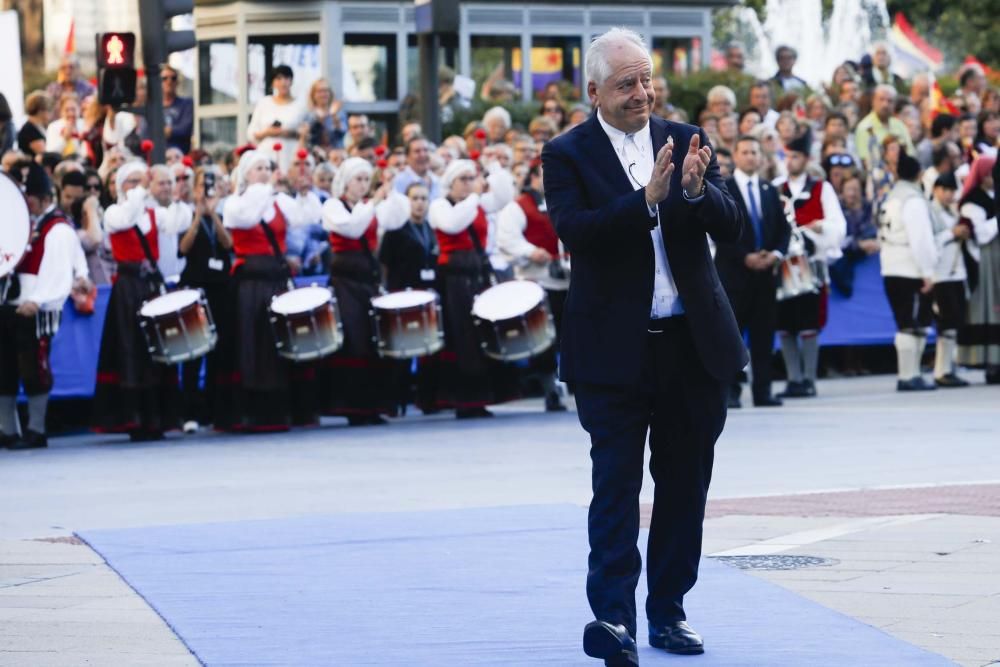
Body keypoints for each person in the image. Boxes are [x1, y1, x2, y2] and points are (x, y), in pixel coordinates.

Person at [543, 27, 746, 664]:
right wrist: (645, 201)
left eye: (647, 78)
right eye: (628, 83)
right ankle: (613, 620)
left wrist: (693, 191)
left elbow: (733, 224)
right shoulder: (566, 153)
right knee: (615, 488)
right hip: (613, 351)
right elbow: (576, 231)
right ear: (595, 90)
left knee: (686, 487)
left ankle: (669, 611)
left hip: (691, 345)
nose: (642, 92)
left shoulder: (688, 139)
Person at [218, 149, 313, 430]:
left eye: (266, 167)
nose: (263, 172)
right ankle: (250, 411)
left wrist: (303, 193)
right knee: (251, 342)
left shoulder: (279, 201)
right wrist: (265, 193)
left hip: (276, 277)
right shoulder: (235, 203)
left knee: (279, 341)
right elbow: (243, 221)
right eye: (257, 167)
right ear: (245, 174)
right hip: (250, 282)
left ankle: (282, 410)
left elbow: (305, 218)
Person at [92, 162, 180, 440]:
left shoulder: (153, 214)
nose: (137, 187)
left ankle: (157, 418)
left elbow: (178, 222)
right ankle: (133, 417)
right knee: (130, 349)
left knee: (154, 349)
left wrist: (171, 193)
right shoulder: (114, 212)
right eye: (131, 181)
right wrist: (140, 190)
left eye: (140, 181)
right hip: (128, 288)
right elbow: (126, 218)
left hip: (150, 285)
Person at [318, 158, 409, 424]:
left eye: (366, 180)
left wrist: (390, 192)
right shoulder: (334, 206)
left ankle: (372, 405)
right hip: (345, 280)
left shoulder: (369, 207)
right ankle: (352, 406)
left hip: (367, 279)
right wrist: (375, 201)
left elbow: (395, 220)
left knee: (372, 339)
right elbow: (351, 226)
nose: (363, 185)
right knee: (354, 340)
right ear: (345, 182)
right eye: (358, 180)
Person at [0, 164, 82, 449]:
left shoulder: (56, 228)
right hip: (11, 303)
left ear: (44, 198)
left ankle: (36, 429)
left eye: (30, 199)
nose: (25, 204)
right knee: (5, 369)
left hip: (34, 307)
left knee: (34, 368)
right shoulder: (27, 224)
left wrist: (38, 299)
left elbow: (59, 270)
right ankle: (7, 430)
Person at [429, 158, 518, 418]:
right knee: (462, 336)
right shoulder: (440, 205)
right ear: (451, 183)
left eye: (471, 178)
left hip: (476, 273)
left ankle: (480, 398)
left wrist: (497, 169)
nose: (469, 184)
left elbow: (503, 198)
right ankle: (463, 399)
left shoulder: (476, 202)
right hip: (454, 279)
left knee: (480, 334)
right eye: (463, 179)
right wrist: (474, 197)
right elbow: (452, 224)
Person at [715, 135, 790, 408]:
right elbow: (719, 230)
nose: (750, 156)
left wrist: (775, 254)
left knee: (763, 336)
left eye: (754, 152)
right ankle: (732, 392)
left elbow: (783, 229)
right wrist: (744, 256)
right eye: (745, 152)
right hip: (734, 276)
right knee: (732, 336)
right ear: (735, 156)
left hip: (765, 276)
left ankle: (763, 391)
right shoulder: (723, 188)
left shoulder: (770, 190)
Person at [773, 131, 846, 398]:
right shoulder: (775, 187)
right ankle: (793, 379)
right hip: (782, 266)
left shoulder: (820, 188)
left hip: (810, 264)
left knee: (809, 323)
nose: (790, 161)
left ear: (806, 159)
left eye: (795, 156)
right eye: (787, 156)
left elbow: (839, 226)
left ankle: (809, 379)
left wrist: (820, 227)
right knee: (784, 323)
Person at [497, 159, 569, 412]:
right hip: (538, 281)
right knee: (545, 340)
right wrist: (530, 252)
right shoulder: (519, 207)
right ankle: (551, 389)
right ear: (533, 178)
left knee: (572, 335)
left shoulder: (568, 198)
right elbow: (506, 238)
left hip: (570, 279)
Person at [378, 181, 441, 413]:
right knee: (400, 351)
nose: (420, 204)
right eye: (415, 198)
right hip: (401, 295)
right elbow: (384, 263)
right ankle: (393, 400)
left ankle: (427, 399)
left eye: (424, 198)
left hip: (427, 294)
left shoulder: (431, 229)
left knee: (430, 350)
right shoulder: (395, 230)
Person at [878, 154, 938, 391]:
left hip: (890, 264)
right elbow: (920, 238)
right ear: (919, 174)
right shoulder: (913, 200)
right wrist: (927, 271)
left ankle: (910, 374)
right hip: (910, 266)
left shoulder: (890, 197)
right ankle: (908, 374)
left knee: (904, 321)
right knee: (913, 322)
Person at [179, 167, 233, 431]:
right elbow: (183, 247)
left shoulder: (227, 212)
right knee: (193, 351)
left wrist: (214, 216)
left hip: (220, 287)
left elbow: (228, 243)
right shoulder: (185, 214)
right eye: (203, 185)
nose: (207, 191)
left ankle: (214, 409)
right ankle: (189, 410)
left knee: (218, 350)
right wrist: (199, 216)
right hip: (195, 287)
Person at [956, 154, 999, 383]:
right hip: (985, 261)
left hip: (996, 258)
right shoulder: (973, 200)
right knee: (989, 308)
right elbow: (980, 234)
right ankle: (990, 363)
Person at [927, 172, 970, 387]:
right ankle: (941, 370)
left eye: (952, 191)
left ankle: (948, 367)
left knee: (954, 322)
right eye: (945, 190)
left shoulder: (952, 211)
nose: (949, 195)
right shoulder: (929, 212)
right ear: (936, 190)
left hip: (956, 272)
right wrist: (951, 233)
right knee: (945, 324)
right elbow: (929, 240)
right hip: (940, 275)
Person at [247, 65, 306, 172]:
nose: (283, 82)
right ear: (273, 82)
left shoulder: (300, 105)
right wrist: (268, 132)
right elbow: (252, 133)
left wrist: (290, 133)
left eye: (286, 78)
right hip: (267, 154)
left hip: (290, 154)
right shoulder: (264, 103)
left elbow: (305, 132)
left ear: (291, 81)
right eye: (278, 78)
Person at [148, 164, 193, 284]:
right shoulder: (145, 209)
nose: (166, 187)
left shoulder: (182, 208)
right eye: (161, 183)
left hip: (180, 276)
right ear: (150, 185)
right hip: (153, 279)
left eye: (169, 183)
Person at [854, 85, 915, 170]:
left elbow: (910, 153)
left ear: (895, 104)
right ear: (873, 101)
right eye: (881, 99)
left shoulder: (899, 125)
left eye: (890, 101)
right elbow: (865, 160)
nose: (885, 104)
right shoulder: (864, 128)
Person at [393, 135, 442, 200]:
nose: (422, 155)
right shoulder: (399, 181)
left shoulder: (436, 180)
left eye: (425, 150)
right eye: (417, 151)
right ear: (407, 157)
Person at [161, 65, 194, 154]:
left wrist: (166, 131)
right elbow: (145, 133)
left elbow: (185, 129)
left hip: (180, 156)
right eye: (164, 78)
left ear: (177, 82)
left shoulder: (186, 103)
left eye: (173, 78)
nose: (169, 81)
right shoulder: (153, 107)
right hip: (157, 157)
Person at [18, 91, 51, 158]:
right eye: (47, 109)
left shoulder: (37, 126)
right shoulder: (29, 129)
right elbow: (43, 153)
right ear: (40, 110)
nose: (49, 113)